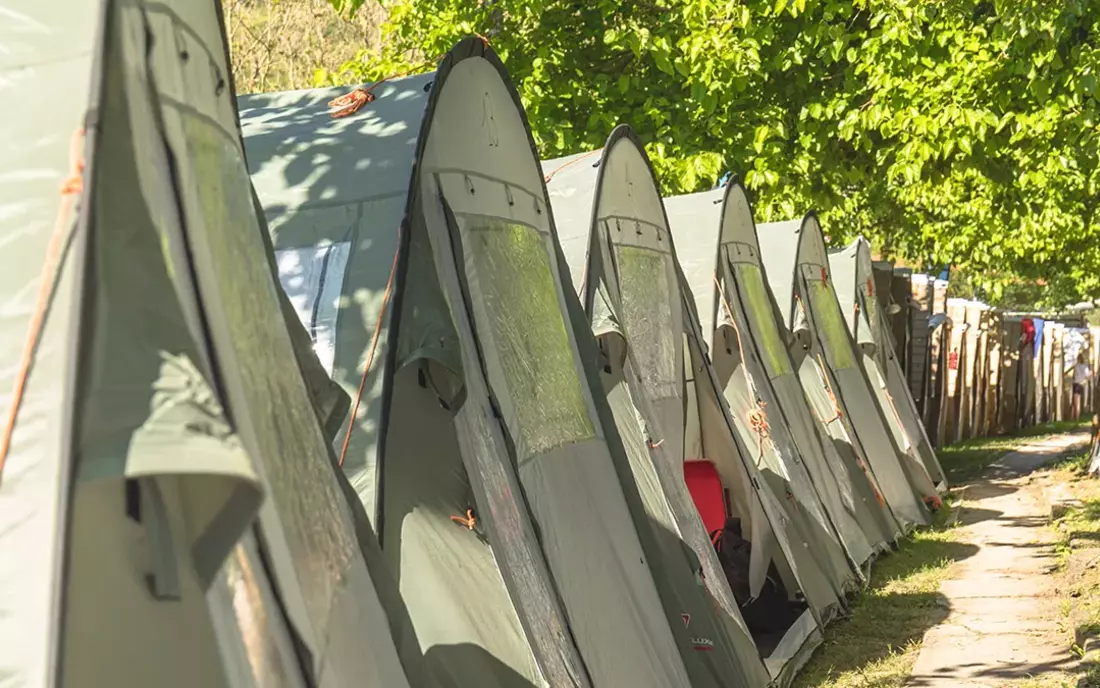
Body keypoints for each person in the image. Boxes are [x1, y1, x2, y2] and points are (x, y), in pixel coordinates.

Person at [1073, 352, 1092, 421]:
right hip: (1082, 384)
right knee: (1080, 400)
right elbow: (1087, 375)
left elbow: (1074, 374)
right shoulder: (1085, 366)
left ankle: (1076, 416)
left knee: (1076, 400)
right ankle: (1078, 415)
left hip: (1076, 383)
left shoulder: (1076, 366)